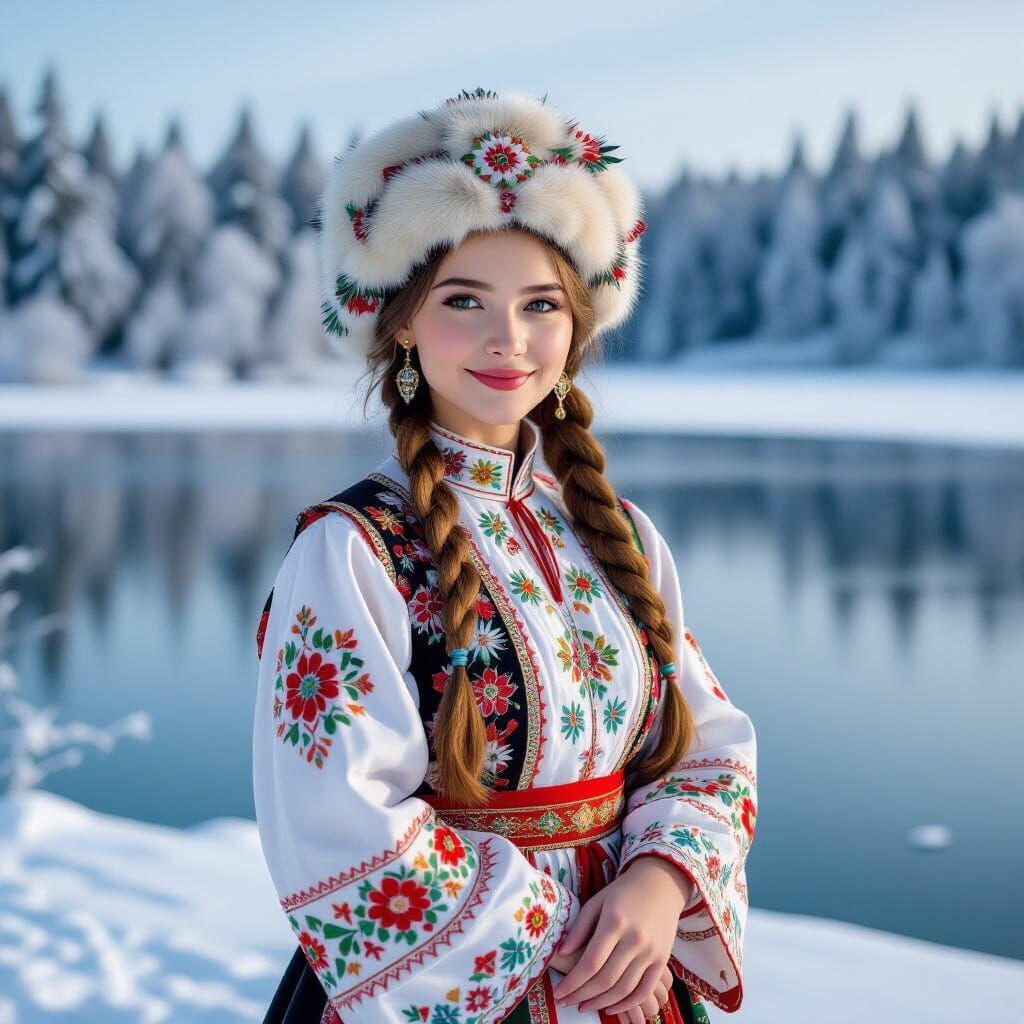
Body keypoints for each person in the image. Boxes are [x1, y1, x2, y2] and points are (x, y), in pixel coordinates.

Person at [253, 87, 757, 1024]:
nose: (509, 341)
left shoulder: (622, 537)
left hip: (633, 981)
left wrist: (655, 889)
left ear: (576, 329)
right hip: (462, 983)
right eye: (464, 300)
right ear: (400, 321)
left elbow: (706, 750)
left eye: (540, 305)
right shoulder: (352, 550)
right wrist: (563, 944)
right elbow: (335, 820)